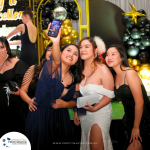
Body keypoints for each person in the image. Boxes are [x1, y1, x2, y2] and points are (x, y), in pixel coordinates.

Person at [24, 25, 82, 150]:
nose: (71, 54)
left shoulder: (75, 78)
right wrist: (56, 42)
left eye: (75, 53)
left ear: (77, 60)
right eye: (68, 50)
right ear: (60, 53)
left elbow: (76, 100)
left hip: (61, 119)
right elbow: (55, 61)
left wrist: (65, 105)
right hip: (41, 117)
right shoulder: (50, 67)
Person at [105, 44, 150, 150]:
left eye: (113, 54)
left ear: (121, 57)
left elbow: (140, 102)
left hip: (143, 120)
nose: (109, 57)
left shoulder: (129, 73)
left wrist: (136, 127)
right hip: (129, 120)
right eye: (107, 55)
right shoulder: (115, 75)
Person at [73, 36, 115, 150]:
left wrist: (95, 109)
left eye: (87, 46)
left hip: (100, 113)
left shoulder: (102, 68)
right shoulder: (79, 70)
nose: (82, 49)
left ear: (95, 51)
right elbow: (78, 94)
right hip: (85, 115)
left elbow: (110, 94)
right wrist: (77, 112)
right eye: (80, 47)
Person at [19, 43, 54, 132]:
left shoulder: (61, 73)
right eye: (49, 50)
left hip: (50, 114)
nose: (51, 52)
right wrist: (29, 101)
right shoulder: (34, 68)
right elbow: (22, 91)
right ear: (45, 52)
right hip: (30, 111)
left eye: (55, 50)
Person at [0, 37, 29, 137]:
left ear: (6, 48)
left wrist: (21, 90)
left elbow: (27, 83)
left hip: (14, 108)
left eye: (1, 47)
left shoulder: (17, 63)